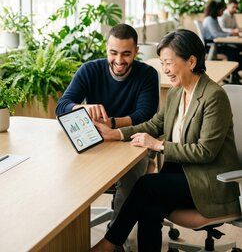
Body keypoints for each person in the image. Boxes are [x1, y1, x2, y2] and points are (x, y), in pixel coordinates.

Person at [91, 29, 241, 252]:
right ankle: (114, 244)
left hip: (209, 183)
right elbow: (154, 125)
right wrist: (117, 133)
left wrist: (158, 145)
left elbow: (205, 152)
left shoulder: (213, 96)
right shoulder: (176, 93)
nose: (165, 70)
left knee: (145, 185)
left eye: (168, 63)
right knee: (149, 208)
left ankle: (109, 243)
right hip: (181, 176)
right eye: (162, 63)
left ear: (191, 61)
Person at [56, 23, 159, 224]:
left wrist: (111, 124)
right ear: (106, 49)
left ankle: (115, 239)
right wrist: (81, 109)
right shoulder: (89, 70)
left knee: (132, 178)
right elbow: (61, 107)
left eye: (126, 54)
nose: (119, 60)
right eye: (113, 53)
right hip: (95, 142)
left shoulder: (147, 74)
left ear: (136, 51)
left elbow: (145, 115)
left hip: (132, 142)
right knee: (65, 173)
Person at [202, 0, 242, 80]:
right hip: (212, 46)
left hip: (217, 44)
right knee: (234, 50)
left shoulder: (214, 19)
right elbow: (216, 35)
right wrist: (230, 33)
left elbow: (220, 32)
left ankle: (234, 74)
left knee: (238, 48)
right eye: (222, 10)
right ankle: (233, 74)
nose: (223, 12)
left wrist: (230, 33)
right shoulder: (209, 20)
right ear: (216, 10)